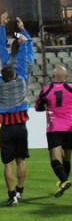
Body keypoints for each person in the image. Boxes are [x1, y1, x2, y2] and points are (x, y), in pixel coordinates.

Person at [0, 32, 31, 206]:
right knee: (21, 160)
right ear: (14, 73)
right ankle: (20, 190)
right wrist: (23, 44)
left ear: (2, 74)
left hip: (6, 129)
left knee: (7, 163)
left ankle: (11, 196)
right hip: (21, 126)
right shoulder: (22, 80)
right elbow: (23, 61)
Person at [34, 66, 72, 198]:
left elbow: (38, 108)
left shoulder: (46, 90)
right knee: (67, 157)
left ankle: (64, 180)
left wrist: (48, 105)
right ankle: (63, 183)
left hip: (54, 127)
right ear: (66, 77)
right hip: (70, 128)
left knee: (55, 159)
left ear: (53, 77)